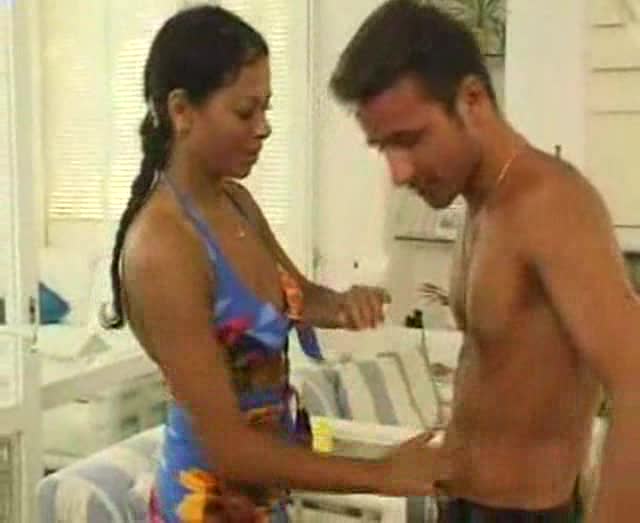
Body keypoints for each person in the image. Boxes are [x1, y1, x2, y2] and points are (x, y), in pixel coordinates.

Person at [101, 5, 450, 522]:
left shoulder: (236, 203)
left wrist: (343, 305)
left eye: (266, 109)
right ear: (181, 110)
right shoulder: (163, 248)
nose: (263, 128)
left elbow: (296, 296)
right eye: (245, 112)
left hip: (264, 499)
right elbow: (229, 448)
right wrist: (384, 473)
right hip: (209, 507)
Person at [330, 1, 640, 522]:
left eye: (410, 140)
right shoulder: (484, 202)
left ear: (472, 99)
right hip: (465, 505)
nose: (399, 172)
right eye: (383, 148)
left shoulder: (549, 202)